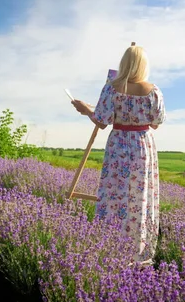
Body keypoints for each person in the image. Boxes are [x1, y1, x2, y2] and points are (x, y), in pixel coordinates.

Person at [71, 44, 166, 265]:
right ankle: (139, 252)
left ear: (124, 63)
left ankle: (110, 248)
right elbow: (156, 124)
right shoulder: (154, 91)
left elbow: (102, 122)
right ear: (144, 65)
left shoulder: (112, 88)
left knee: (114, 194)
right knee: (139, 197)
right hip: (143, 146)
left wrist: (86, 110)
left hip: (118, 146)